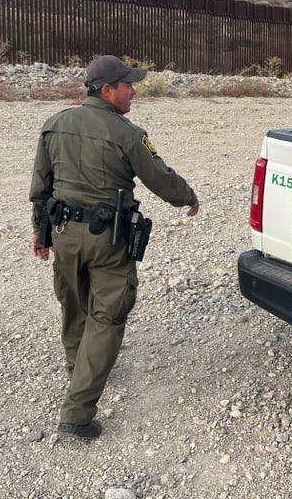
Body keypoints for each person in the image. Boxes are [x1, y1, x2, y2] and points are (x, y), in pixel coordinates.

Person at [29, 55, 200, 439]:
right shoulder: (128, 133)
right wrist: (188, 197)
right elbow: (159, 176)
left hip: (64, 234)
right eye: (128, 85)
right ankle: (77, 413)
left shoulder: (55, 123)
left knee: (74, 305)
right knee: (107, 317)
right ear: (107, 90)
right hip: (108, 239)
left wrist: (41, 233)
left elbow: (41, 186)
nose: (134, 91)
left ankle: (80, 370)